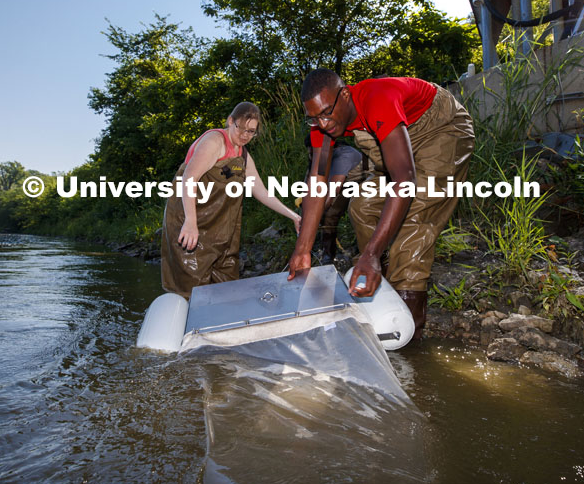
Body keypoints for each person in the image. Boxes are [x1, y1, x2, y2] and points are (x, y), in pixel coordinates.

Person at [287, 70, 474, 343]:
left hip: (441, 129)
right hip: (399, 135)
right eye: (313, 118)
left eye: (326, 113)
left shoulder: (378, 99)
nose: (323, 124)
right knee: (362, 207)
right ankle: (383, 288)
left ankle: (409, 341)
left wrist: (372, 253)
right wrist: (302, 251)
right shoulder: (321, 125)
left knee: (414, 223)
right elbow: (317, 185)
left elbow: (404, 179)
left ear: (346, 95)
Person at [162, 102, 301, 298]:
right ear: (230, 121)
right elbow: (189, 179)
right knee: (191, 288)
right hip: (189, 220)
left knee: (227, 285)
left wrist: (293, 216)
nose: (245, 135)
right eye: (241, 128)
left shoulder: (243, 154)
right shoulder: (214, 141)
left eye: (251, 131)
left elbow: (260, 190)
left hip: (220, 231)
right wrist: (190, 222)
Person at [298, 137, 367, 265]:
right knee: (318, 209)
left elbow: (333, 190)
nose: (312, 157)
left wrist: (316, 215)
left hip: (360, 183)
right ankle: (324, 250)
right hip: (341, 184)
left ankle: (329, 256)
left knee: (329, 213)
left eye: (313, 153)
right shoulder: (321, 157)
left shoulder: (344, 155)